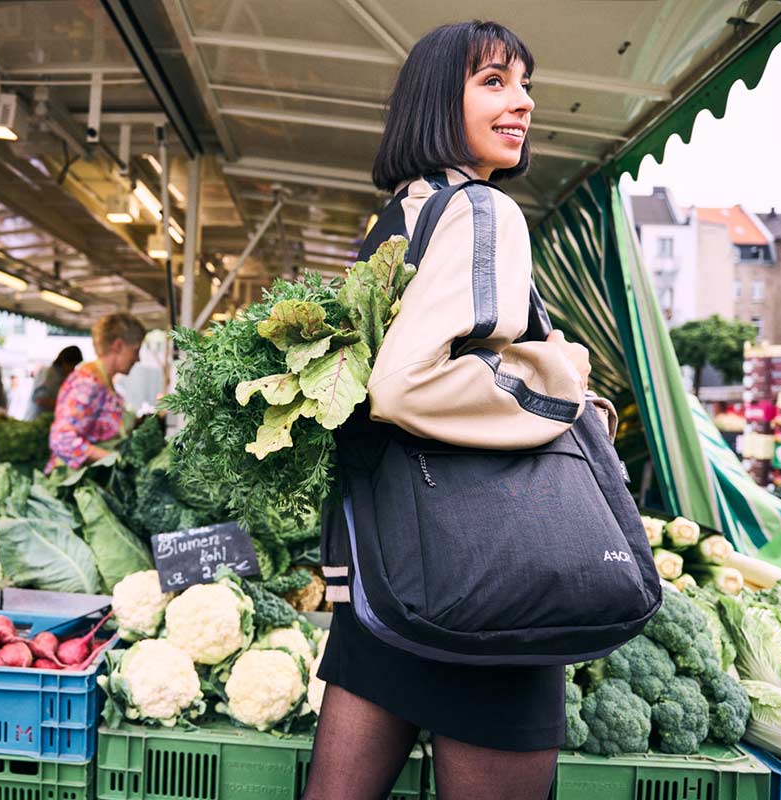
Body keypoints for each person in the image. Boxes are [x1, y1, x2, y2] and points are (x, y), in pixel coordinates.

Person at [303, 22, 590, 800]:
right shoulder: (481, 211)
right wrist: (560, 378)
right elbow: (405, 386)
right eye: (494, 82)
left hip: (394, 567)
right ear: (439, 98)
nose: (522, 102)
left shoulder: (400, 217)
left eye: (525, 84)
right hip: (488, 582)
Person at [46, 315, 144, 470]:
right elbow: (62, 440)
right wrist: (114, 459)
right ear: (118, 346)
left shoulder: (104, 383)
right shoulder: (86, 384)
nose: (138, 359)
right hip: (72, 485)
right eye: (136, 351)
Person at [28, 346, 83, 420]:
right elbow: (40, 400)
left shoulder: (65, 377)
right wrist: (67, 404)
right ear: (65, 362)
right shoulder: (47, 373)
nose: (73, 369)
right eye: (73, 365)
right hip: (38, 420)